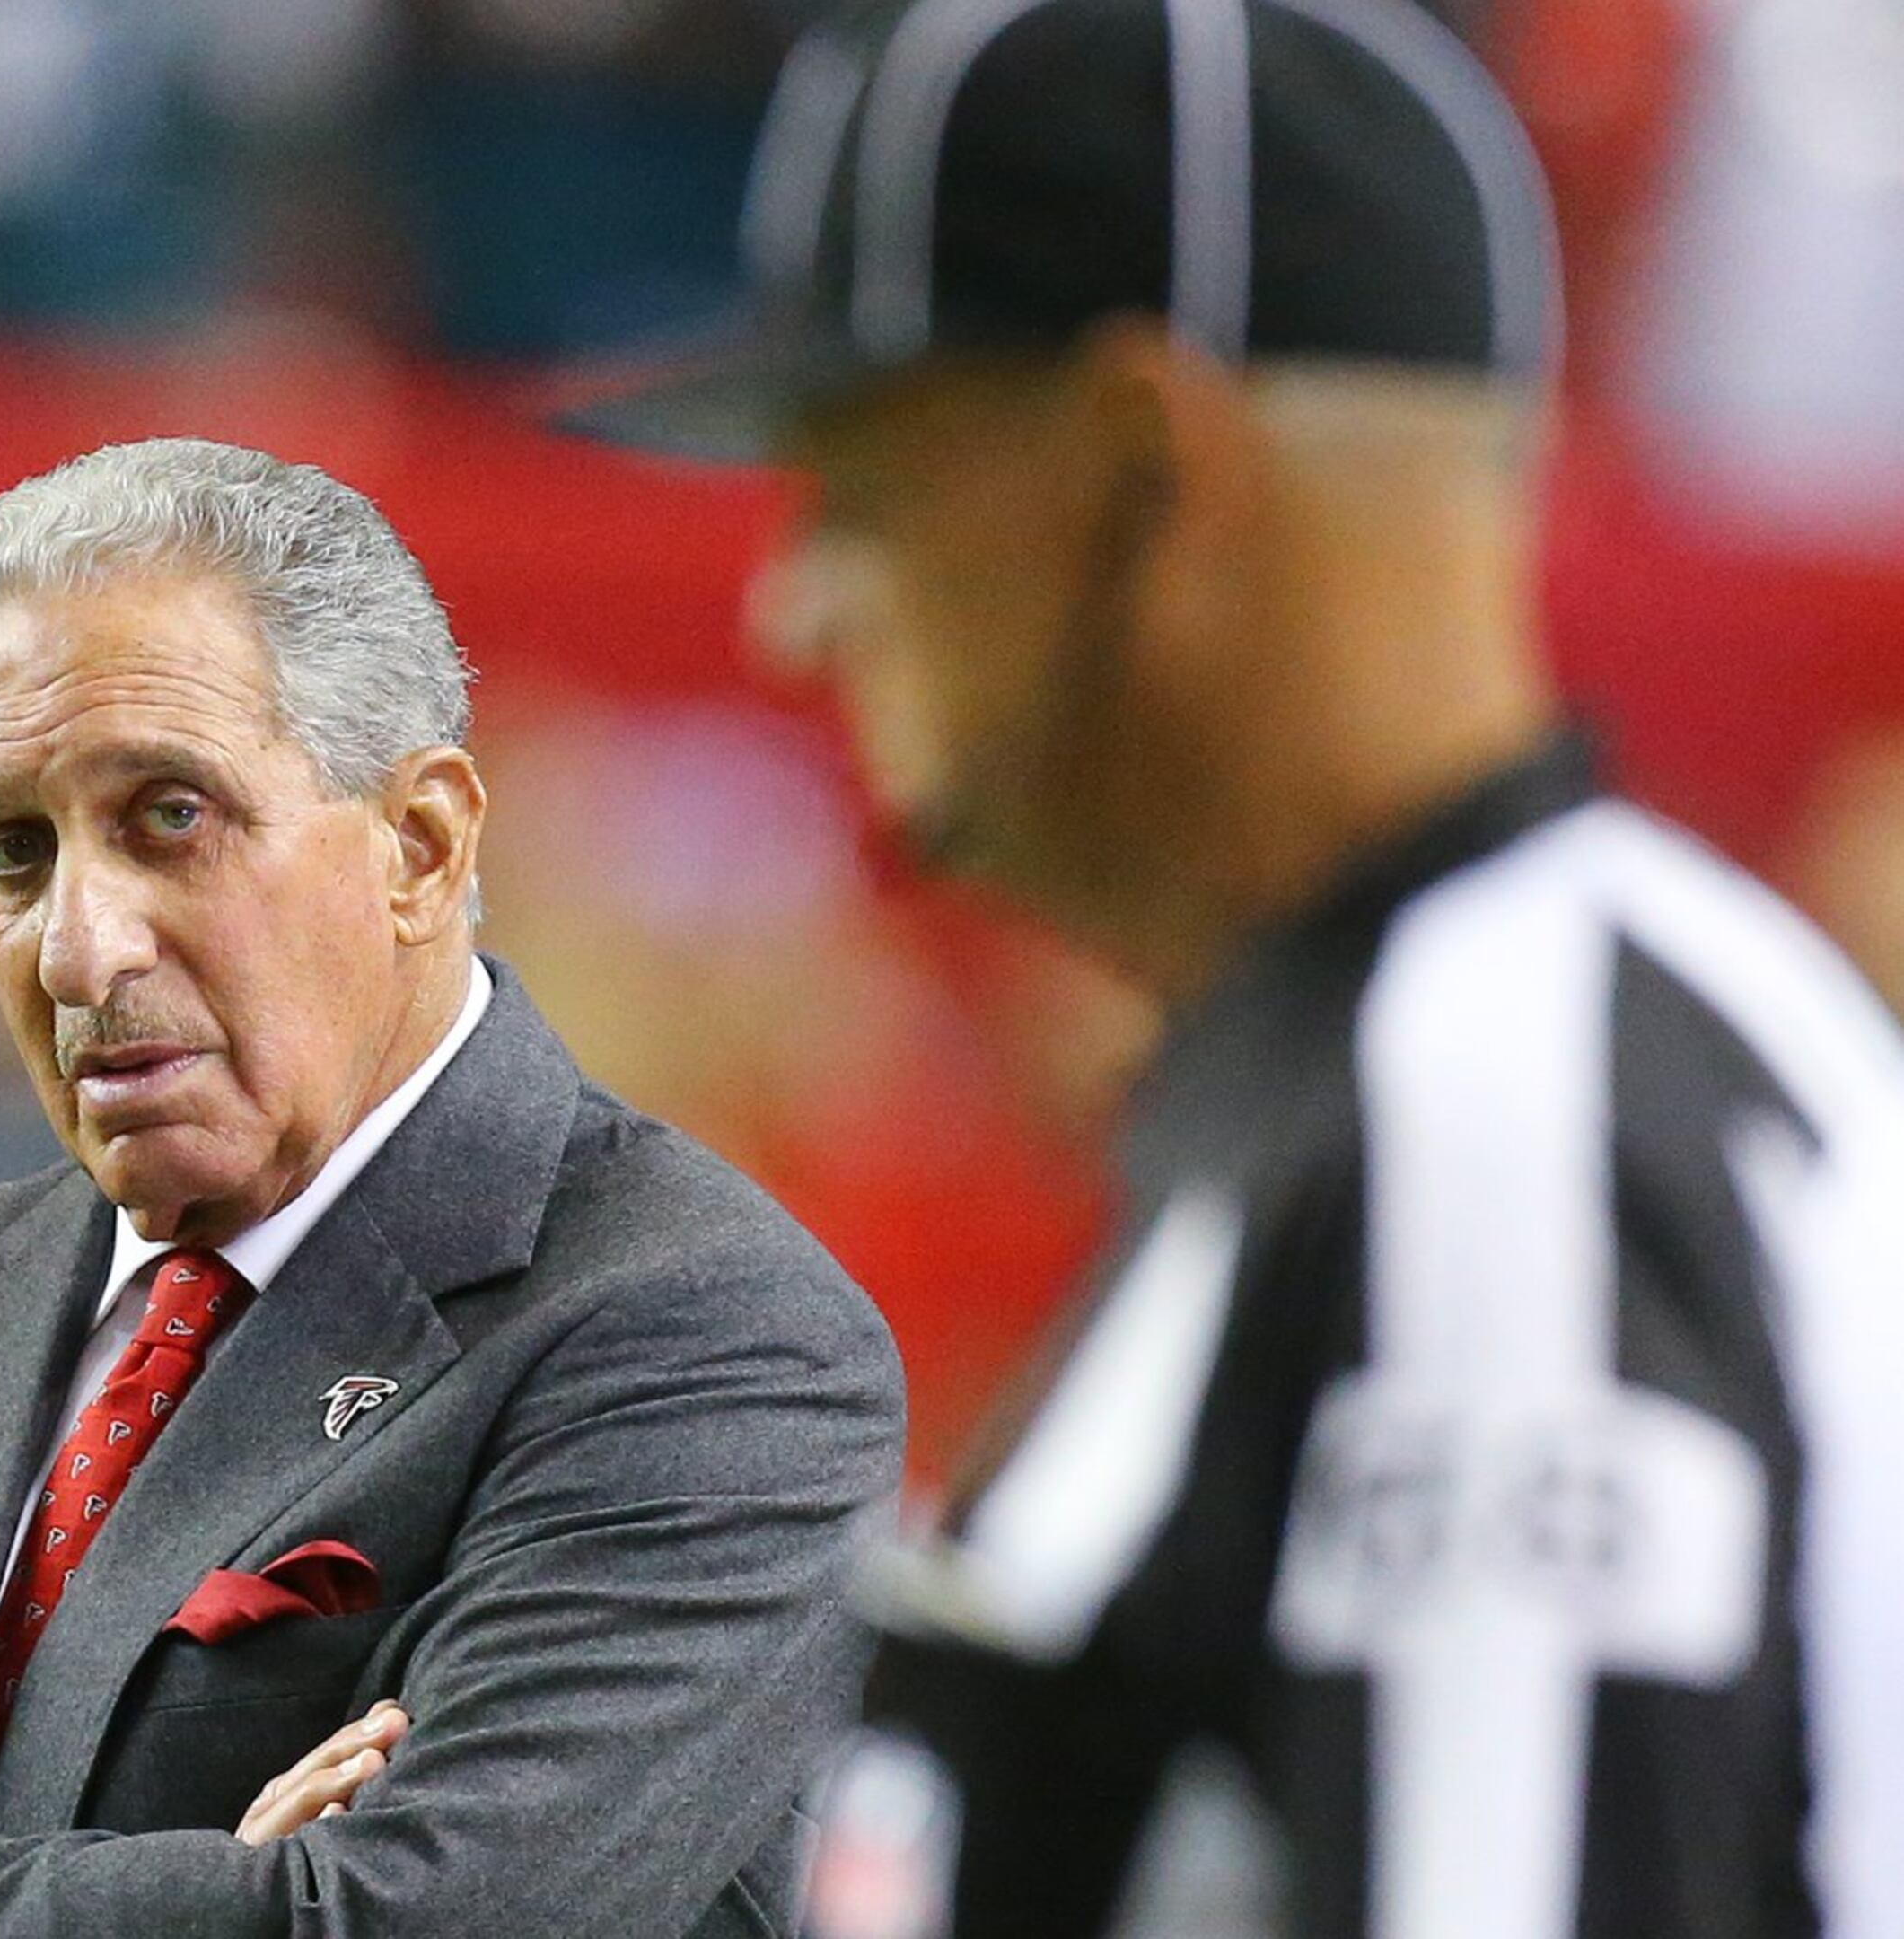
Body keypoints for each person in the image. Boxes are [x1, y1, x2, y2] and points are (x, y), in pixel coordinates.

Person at [580, 2, 1904, 1934]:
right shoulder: (1437, 1067)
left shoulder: (1500, 1117)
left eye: (864, 493)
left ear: (1145, 463)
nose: (794, 612)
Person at [0, 437, 906, 1937]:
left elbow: (412, 1924)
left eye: (170, 816)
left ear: (420, 846)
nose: (79, 948)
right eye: (9, 852)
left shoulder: (710, 1338)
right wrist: (230, 1898)